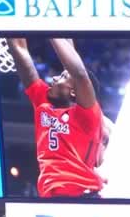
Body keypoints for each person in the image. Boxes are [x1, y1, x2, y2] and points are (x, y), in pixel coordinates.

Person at [9, 37, 105, 197]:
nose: (53, 78)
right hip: (50, 196)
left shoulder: (87, 117)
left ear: (74, 92)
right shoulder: (43, 104)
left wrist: (50, 31)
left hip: (83, 195)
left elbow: (80, 75)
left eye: (61, 77)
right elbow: (20, 51)